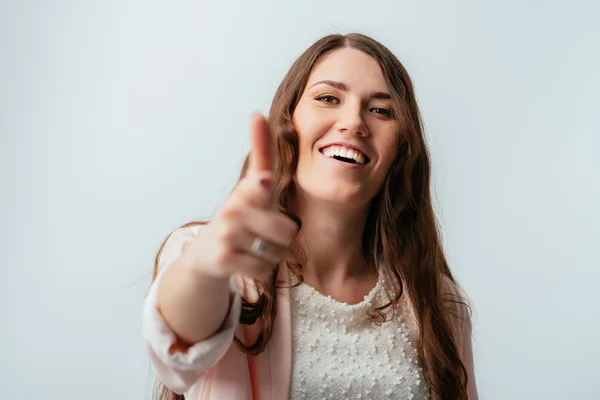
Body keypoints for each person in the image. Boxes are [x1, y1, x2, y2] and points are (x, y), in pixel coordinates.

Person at [143, 33, 478, 400]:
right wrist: (206, 265)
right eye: (328, 98)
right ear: (290, 122)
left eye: (381, 110)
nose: (353, 122)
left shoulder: (436, 299)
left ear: (403, 147)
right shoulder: (213, 257)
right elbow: (177, 347)